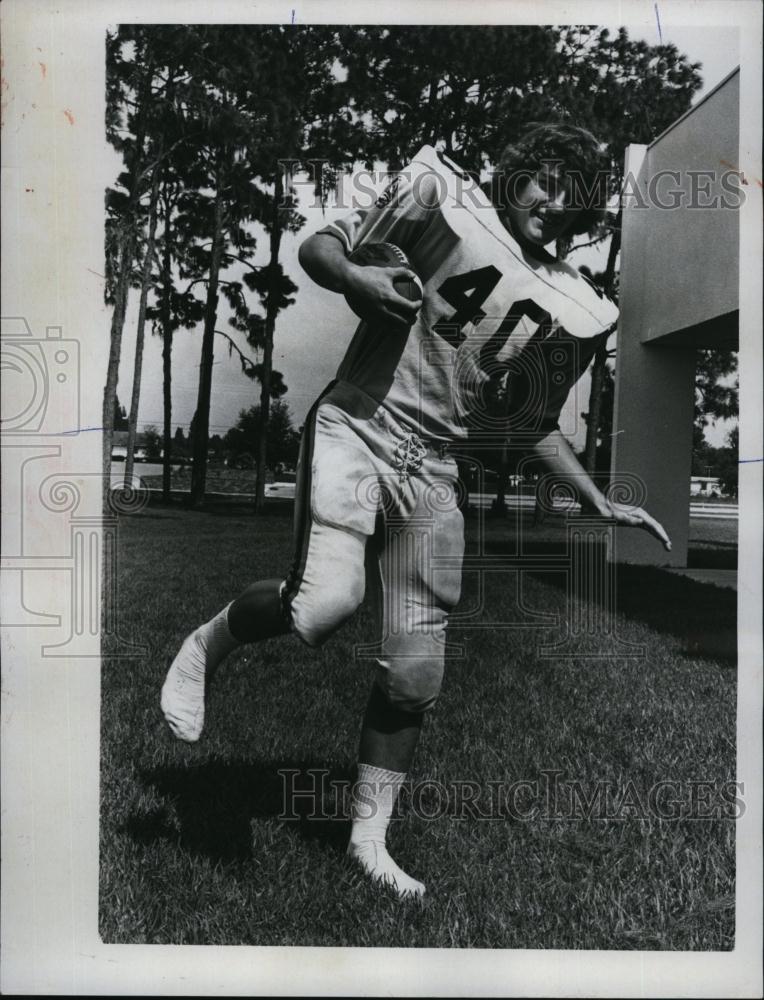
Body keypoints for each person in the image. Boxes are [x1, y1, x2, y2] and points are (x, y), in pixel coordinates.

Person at [161, 123, 671, 899]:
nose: (558, 208)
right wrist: (355, 281)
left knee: (416, 671)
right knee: (324, 605)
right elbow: (321, 246)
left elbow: (523, 423)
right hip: (360, 425)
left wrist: (595, 495)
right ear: (517, 174)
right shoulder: (444, 200)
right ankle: (208, 642)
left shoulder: (572, 300)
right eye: (547, 185)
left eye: (576, 200)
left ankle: (368, 843)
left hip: (434, 470)